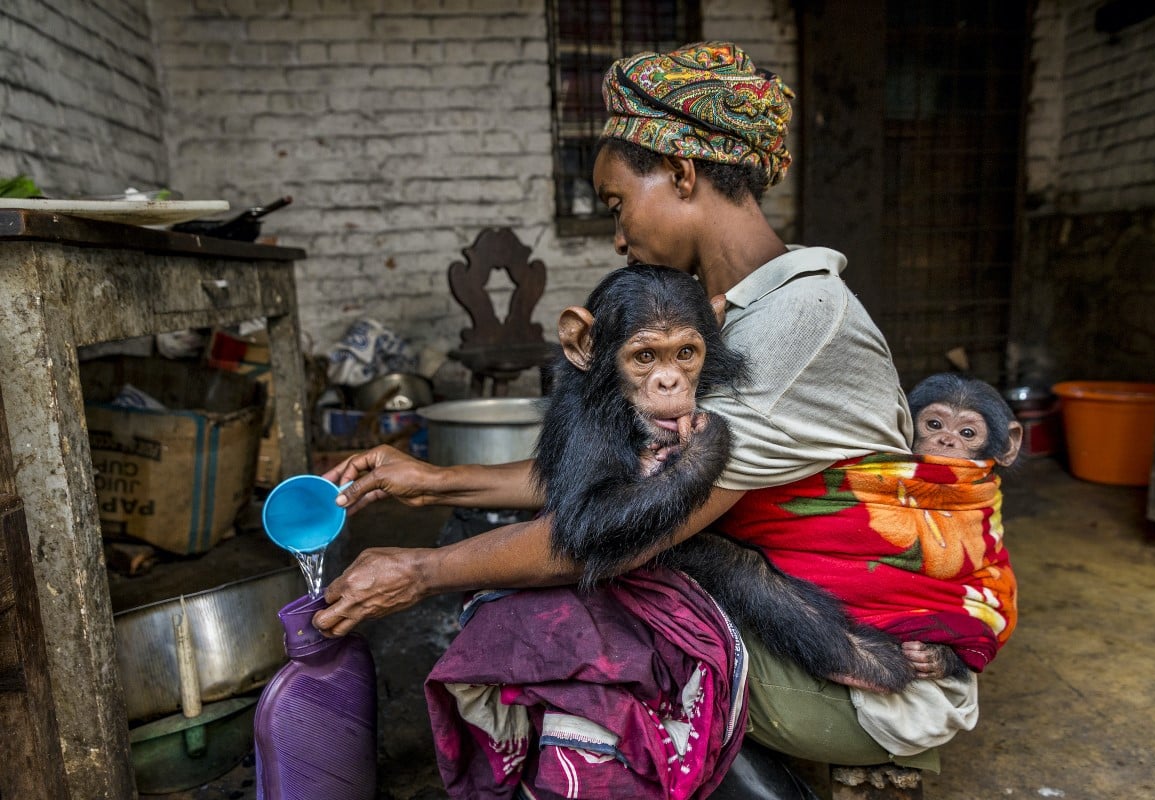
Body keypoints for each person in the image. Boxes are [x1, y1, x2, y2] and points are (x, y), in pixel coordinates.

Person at [314, 41, 1015, 793]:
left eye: (617, 203)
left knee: (550, 618)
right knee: (531, 572)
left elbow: (624, 528)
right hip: (805, 615)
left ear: (682, 174)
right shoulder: (735, 314)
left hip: (857, 678)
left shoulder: (798, 324)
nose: (617, 235)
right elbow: (617, 480)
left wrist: (421, 571)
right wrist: (435, 481)